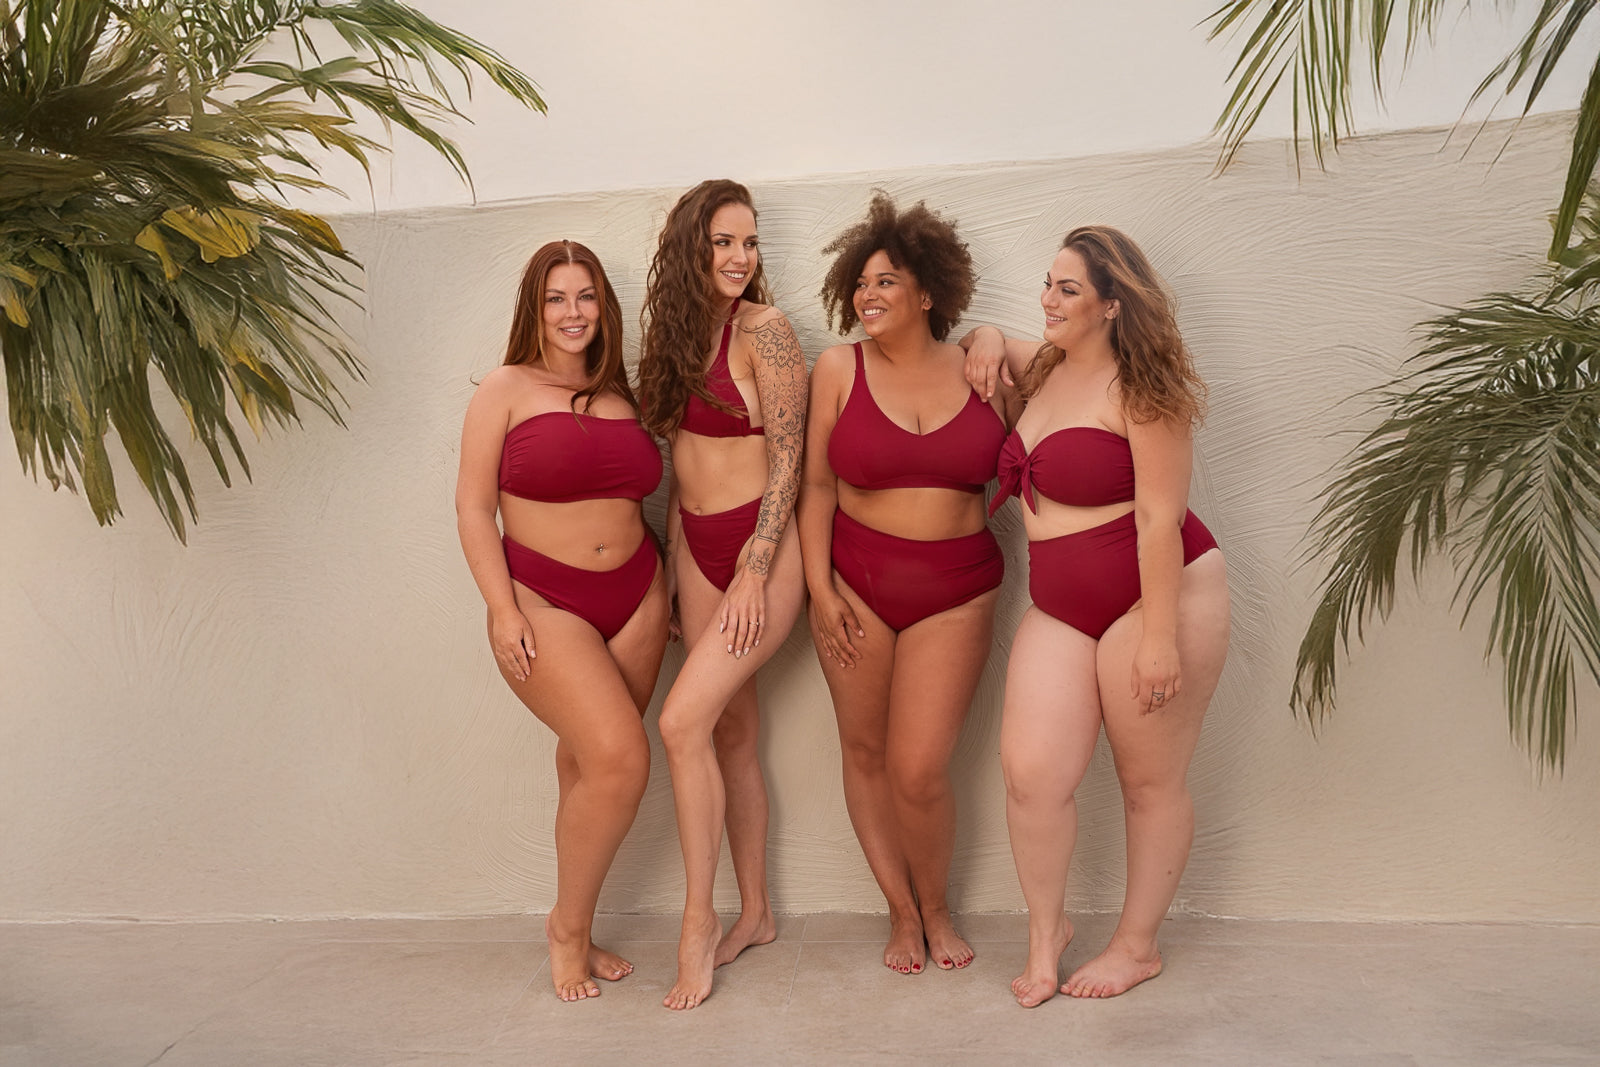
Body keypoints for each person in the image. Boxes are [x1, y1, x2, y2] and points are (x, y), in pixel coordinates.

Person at [961, 225, 1231, 1006]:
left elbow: (1158, 519)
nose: (1048, 298)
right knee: (1031, 774)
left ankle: (1136, 946)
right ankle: (1047, 937)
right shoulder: (1044, 366)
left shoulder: (1145, 391)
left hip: (1159, 593)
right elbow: (991, 342)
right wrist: (981, 331)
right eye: (1047, 283)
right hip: (1061, 605)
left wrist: (1157, 637)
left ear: (1112, 306)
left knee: (1149, 780)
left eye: (1068, 288)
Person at [799, 192, 1020, 977]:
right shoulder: (836, 369)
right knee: (864, 752)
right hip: (853, 586)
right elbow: (817, 489)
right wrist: (820, 591)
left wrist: (992, 332)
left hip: (956, 590)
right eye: (860, 284)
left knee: (919, 765)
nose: (868, 296)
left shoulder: (981, 366)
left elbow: (1067, 364)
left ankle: (938, 907)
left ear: (928, 292)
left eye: (886, 281)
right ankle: (900, 911)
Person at [455, 240, 670, 1002]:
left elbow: (646, 497)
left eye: (584, 296)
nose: (572, 311)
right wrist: (503, 606)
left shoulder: (626, 395)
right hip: (546, 601)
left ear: (602, 307)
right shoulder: (506, 388)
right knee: (620, 759)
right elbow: (475, 508)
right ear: (534, 309)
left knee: (588, 765)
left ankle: (580, 918)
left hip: (640, 599)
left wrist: (670, 586)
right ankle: (568, 927)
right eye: (556, 297)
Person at [639, 179, 808, 1011]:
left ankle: (698, 923)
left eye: (750, 242)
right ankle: (761, 912)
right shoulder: (676, 338)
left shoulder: (765, 331)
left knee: (680, 722)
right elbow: (680, 471)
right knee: (728, 728)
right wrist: (678, 572)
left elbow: (789, 459)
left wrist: (754, 565)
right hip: (698, 555)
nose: (741, 258)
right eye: (723, 243)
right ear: (690, 250)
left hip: (762, 552)